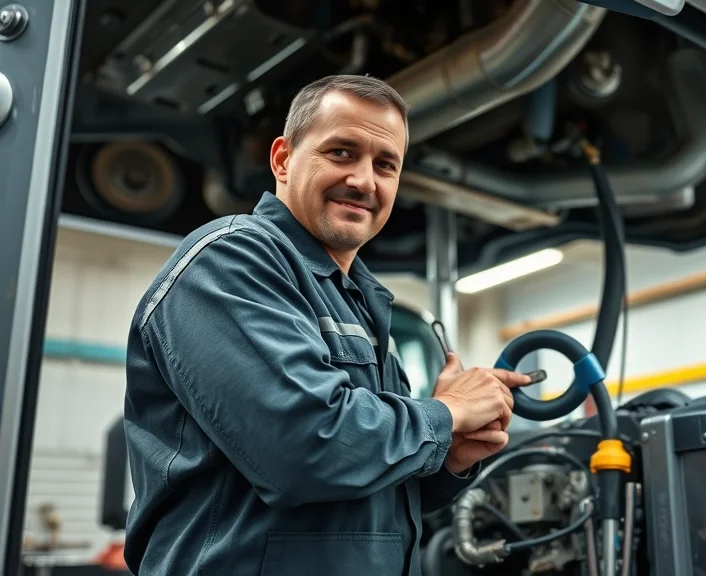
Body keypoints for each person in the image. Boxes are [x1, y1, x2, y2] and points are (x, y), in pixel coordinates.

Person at [121, 74, 532, 576]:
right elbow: (303, 449)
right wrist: (446, 413)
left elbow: (369, 490)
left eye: (385, 165)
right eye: (341, 152)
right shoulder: (229, 260)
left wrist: (449, 457)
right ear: (282, 160)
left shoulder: (363, 304)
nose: (364, 181)